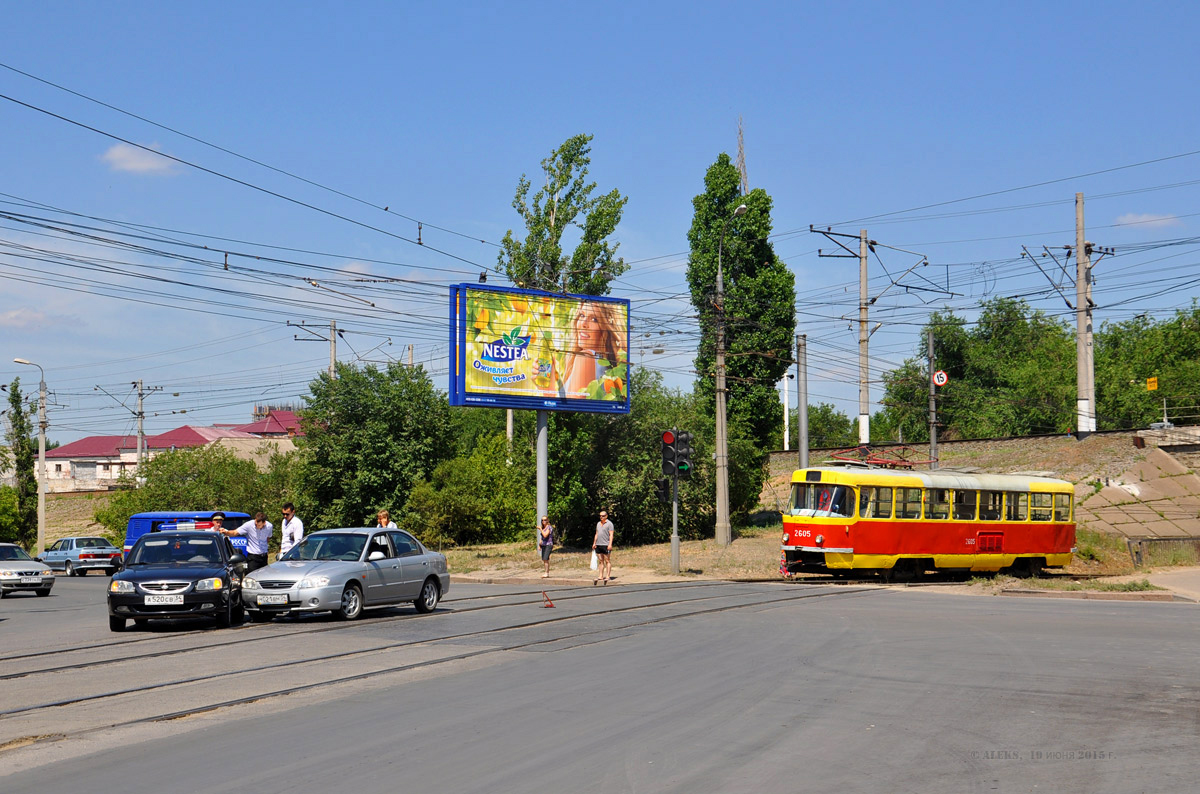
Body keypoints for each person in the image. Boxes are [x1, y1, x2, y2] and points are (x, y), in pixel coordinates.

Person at [560, 300, 626, 397]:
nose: (583, 324)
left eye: (594, 319)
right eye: (582, 315)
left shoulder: (585, 358)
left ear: (606, 327)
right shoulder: (610, 369)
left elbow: (572, 406)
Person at [592, 509, 614, 585]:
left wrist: (610, 544)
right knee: (601, 561)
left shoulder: (609, 524)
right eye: (600, 516)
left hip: (606, 544)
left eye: (603, 516)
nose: (601, 517)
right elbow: (596, 534)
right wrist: (594, 543)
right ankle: (600, 576)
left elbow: (611, 535)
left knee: (607, 560)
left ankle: (608, 575)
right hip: (599, 544)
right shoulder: (598, 524)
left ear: (606, 516)